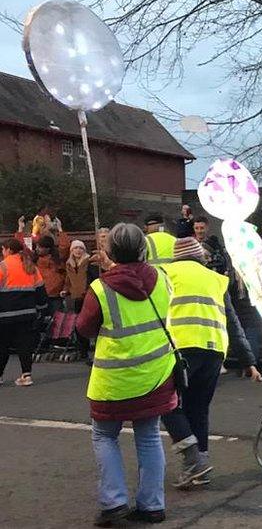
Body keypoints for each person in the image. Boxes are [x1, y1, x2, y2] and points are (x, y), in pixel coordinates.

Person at [75, 223, 179, 526]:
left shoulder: (100, 288)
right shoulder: (162, 279)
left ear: (110, 251)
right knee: (148, 437)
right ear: (143, 249)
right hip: (156, 374)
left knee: (105, 436)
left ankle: (114, 503)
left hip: (115, 381)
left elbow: (84, 328)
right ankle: (152, 506)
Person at [160, 237, 260, 489]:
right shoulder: (216, 279)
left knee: (166, 402)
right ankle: (200, 465)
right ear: (199, 257)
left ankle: (193, 459)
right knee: (198, 407)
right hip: (215, 350)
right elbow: (232, 320)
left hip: (181, 347)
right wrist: (249, 360)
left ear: (176, 257)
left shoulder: (166, 273)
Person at [0, 239, 46, 387]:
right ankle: (26, 375)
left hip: (5, 314)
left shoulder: (3, 266)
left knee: (3, 345)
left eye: (3, 249)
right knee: (24, 345)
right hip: (27, 313)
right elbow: (40, 291)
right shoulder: (31, 267)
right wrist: (41, 309)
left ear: (7, 250)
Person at [35, 234, 66, 315]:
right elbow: (23, 250)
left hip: (55, 296)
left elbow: (65, 247)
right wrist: (20, 230)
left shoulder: (57, 259)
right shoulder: (35, 259)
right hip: (41, 296)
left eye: (39, 247)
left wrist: (60, 231)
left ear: (47, 248)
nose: (37, 249)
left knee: (57, 320)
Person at [63, 240, 97, 312]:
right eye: (75, 248)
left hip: (87, 295)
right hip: (74, 296)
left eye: (80, 248)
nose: (78, 250)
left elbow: (94, 277)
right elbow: (68, 279)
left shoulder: (89, 261)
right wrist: (65, 290)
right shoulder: (69, 264)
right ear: (72, 250)